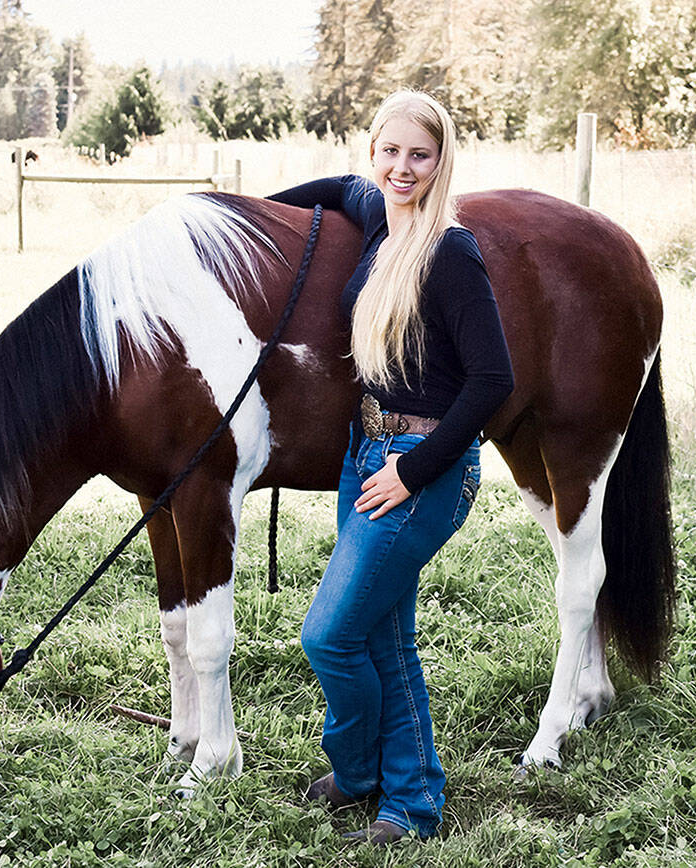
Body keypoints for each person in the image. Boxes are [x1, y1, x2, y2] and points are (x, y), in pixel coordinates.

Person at [266, 90, 514, 845]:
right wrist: (236, 214)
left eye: (421, 154)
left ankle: (357, 763)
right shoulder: (381, 220)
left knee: (329, 636)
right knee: (384, 637)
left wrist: (413, 472)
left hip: (420, 467)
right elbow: (331, 192)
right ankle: (408, 802)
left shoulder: (449, 251)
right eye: (391, 151)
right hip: (361, 454)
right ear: (373, 151)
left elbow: (492, 381)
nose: (403, 168)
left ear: (442, 162)